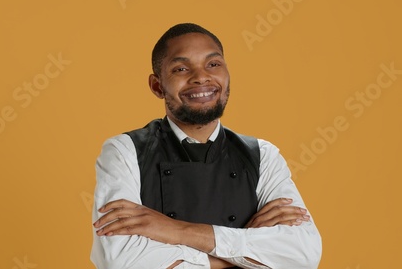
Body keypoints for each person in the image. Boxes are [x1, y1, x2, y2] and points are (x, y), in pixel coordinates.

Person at [90, 23, 322, 269]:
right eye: (181, 68)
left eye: (213, 64)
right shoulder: (124, 151)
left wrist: (178, 231)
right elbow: (121, 261)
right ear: (157, 86)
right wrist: (237, 256)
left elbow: (304, 254)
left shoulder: (263, 155)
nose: (201, 77)